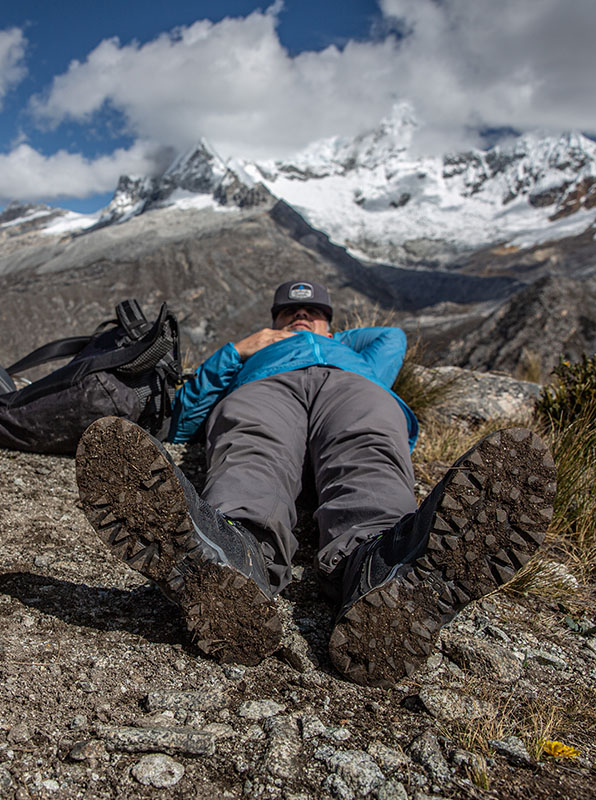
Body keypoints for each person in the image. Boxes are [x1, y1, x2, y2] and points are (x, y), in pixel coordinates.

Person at [75, 280, 556, 687]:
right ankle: (234, 557)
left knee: (368, 447)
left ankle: (382, 566)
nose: (301, 316)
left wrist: (331, 342)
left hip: (349, 387)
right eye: (290, 312)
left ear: (331, 322)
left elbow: (392, 336)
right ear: (273, 321)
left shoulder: (353, 351)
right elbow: (186, 419)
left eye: (313, 312)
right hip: (266, 388)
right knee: (252, 448)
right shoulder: (254, 355)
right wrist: (240, 350)